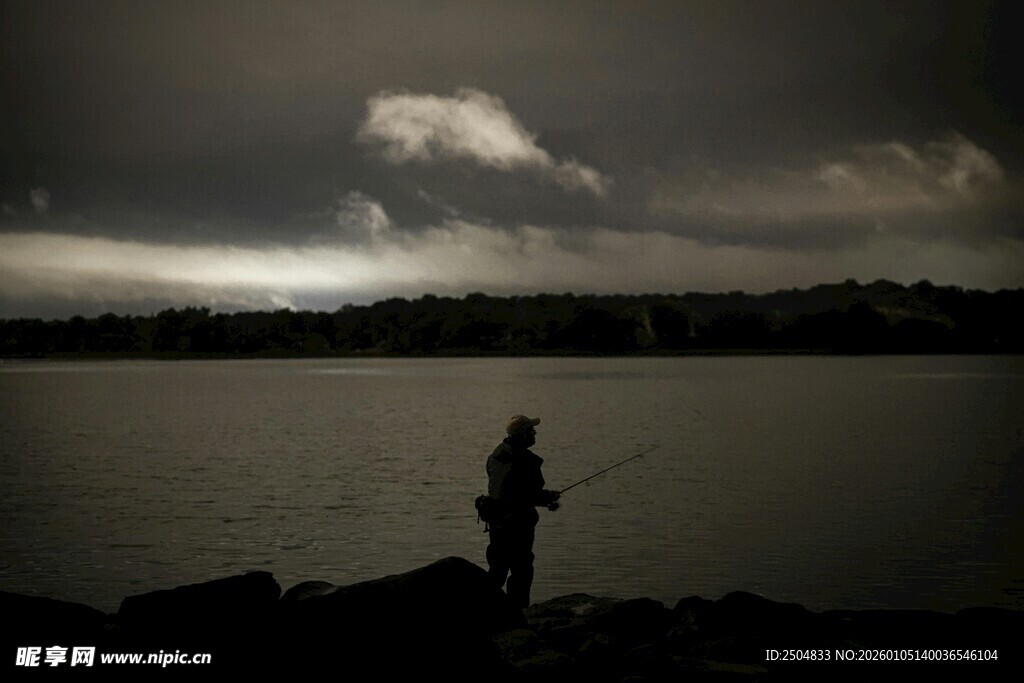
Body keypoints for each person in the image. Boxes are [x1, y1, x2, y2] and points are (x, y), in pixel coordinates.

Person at [485, 414, 560, 609]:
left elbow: (510, 491)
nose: (535, 434)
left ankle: (486, 611)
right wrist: (549, 497)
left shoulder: (494, 457)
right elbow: (530, 494)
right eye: (531, 431)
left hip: (496, 523)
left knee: (497, 569)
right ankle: (518, 613)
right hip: (519, 524)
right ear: (522, 435)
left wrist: (544, 498)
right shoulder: (527, 461)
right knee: (522, 570)